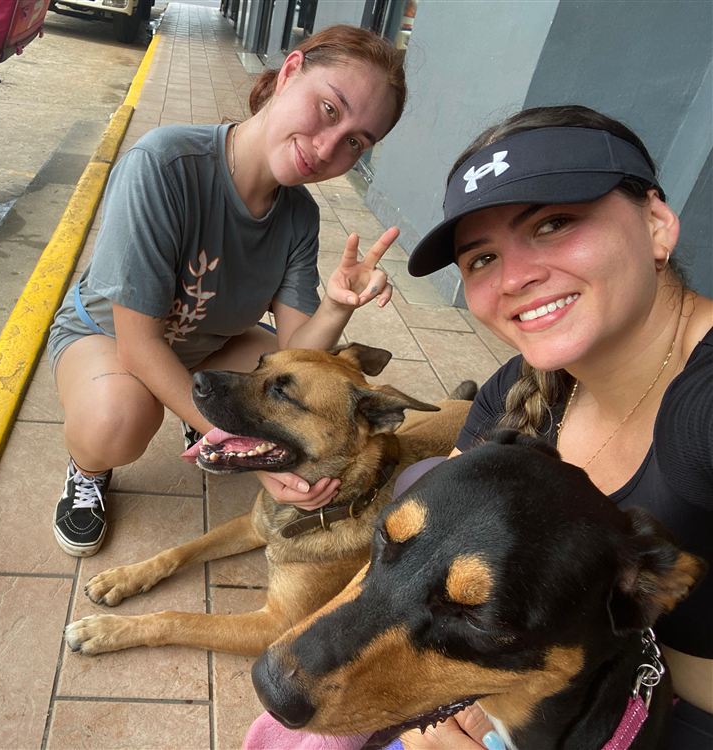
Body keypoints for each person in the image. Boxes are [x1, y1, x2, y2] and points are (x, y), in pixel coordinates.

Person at [399, 105, 712, 748]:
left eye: (554, 223)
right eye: (481, 258)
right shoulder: (520, 387)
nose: (515, 277)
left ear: (655, 223)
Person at [45, 25, 408, 558]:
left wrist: (335, 304)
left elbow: (298, 354)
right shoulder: (165, 165)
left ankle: (206, 413)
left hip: (212, 343)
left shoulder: (299, 216)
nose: (330, 146)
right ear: (289, 73)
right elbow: (139, 346)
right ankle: (88, 470)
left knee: (308, 397)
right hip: (108, 338)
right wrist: (248, 449)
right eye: (330, 109)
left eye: (356, 141)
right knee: (118, 420)